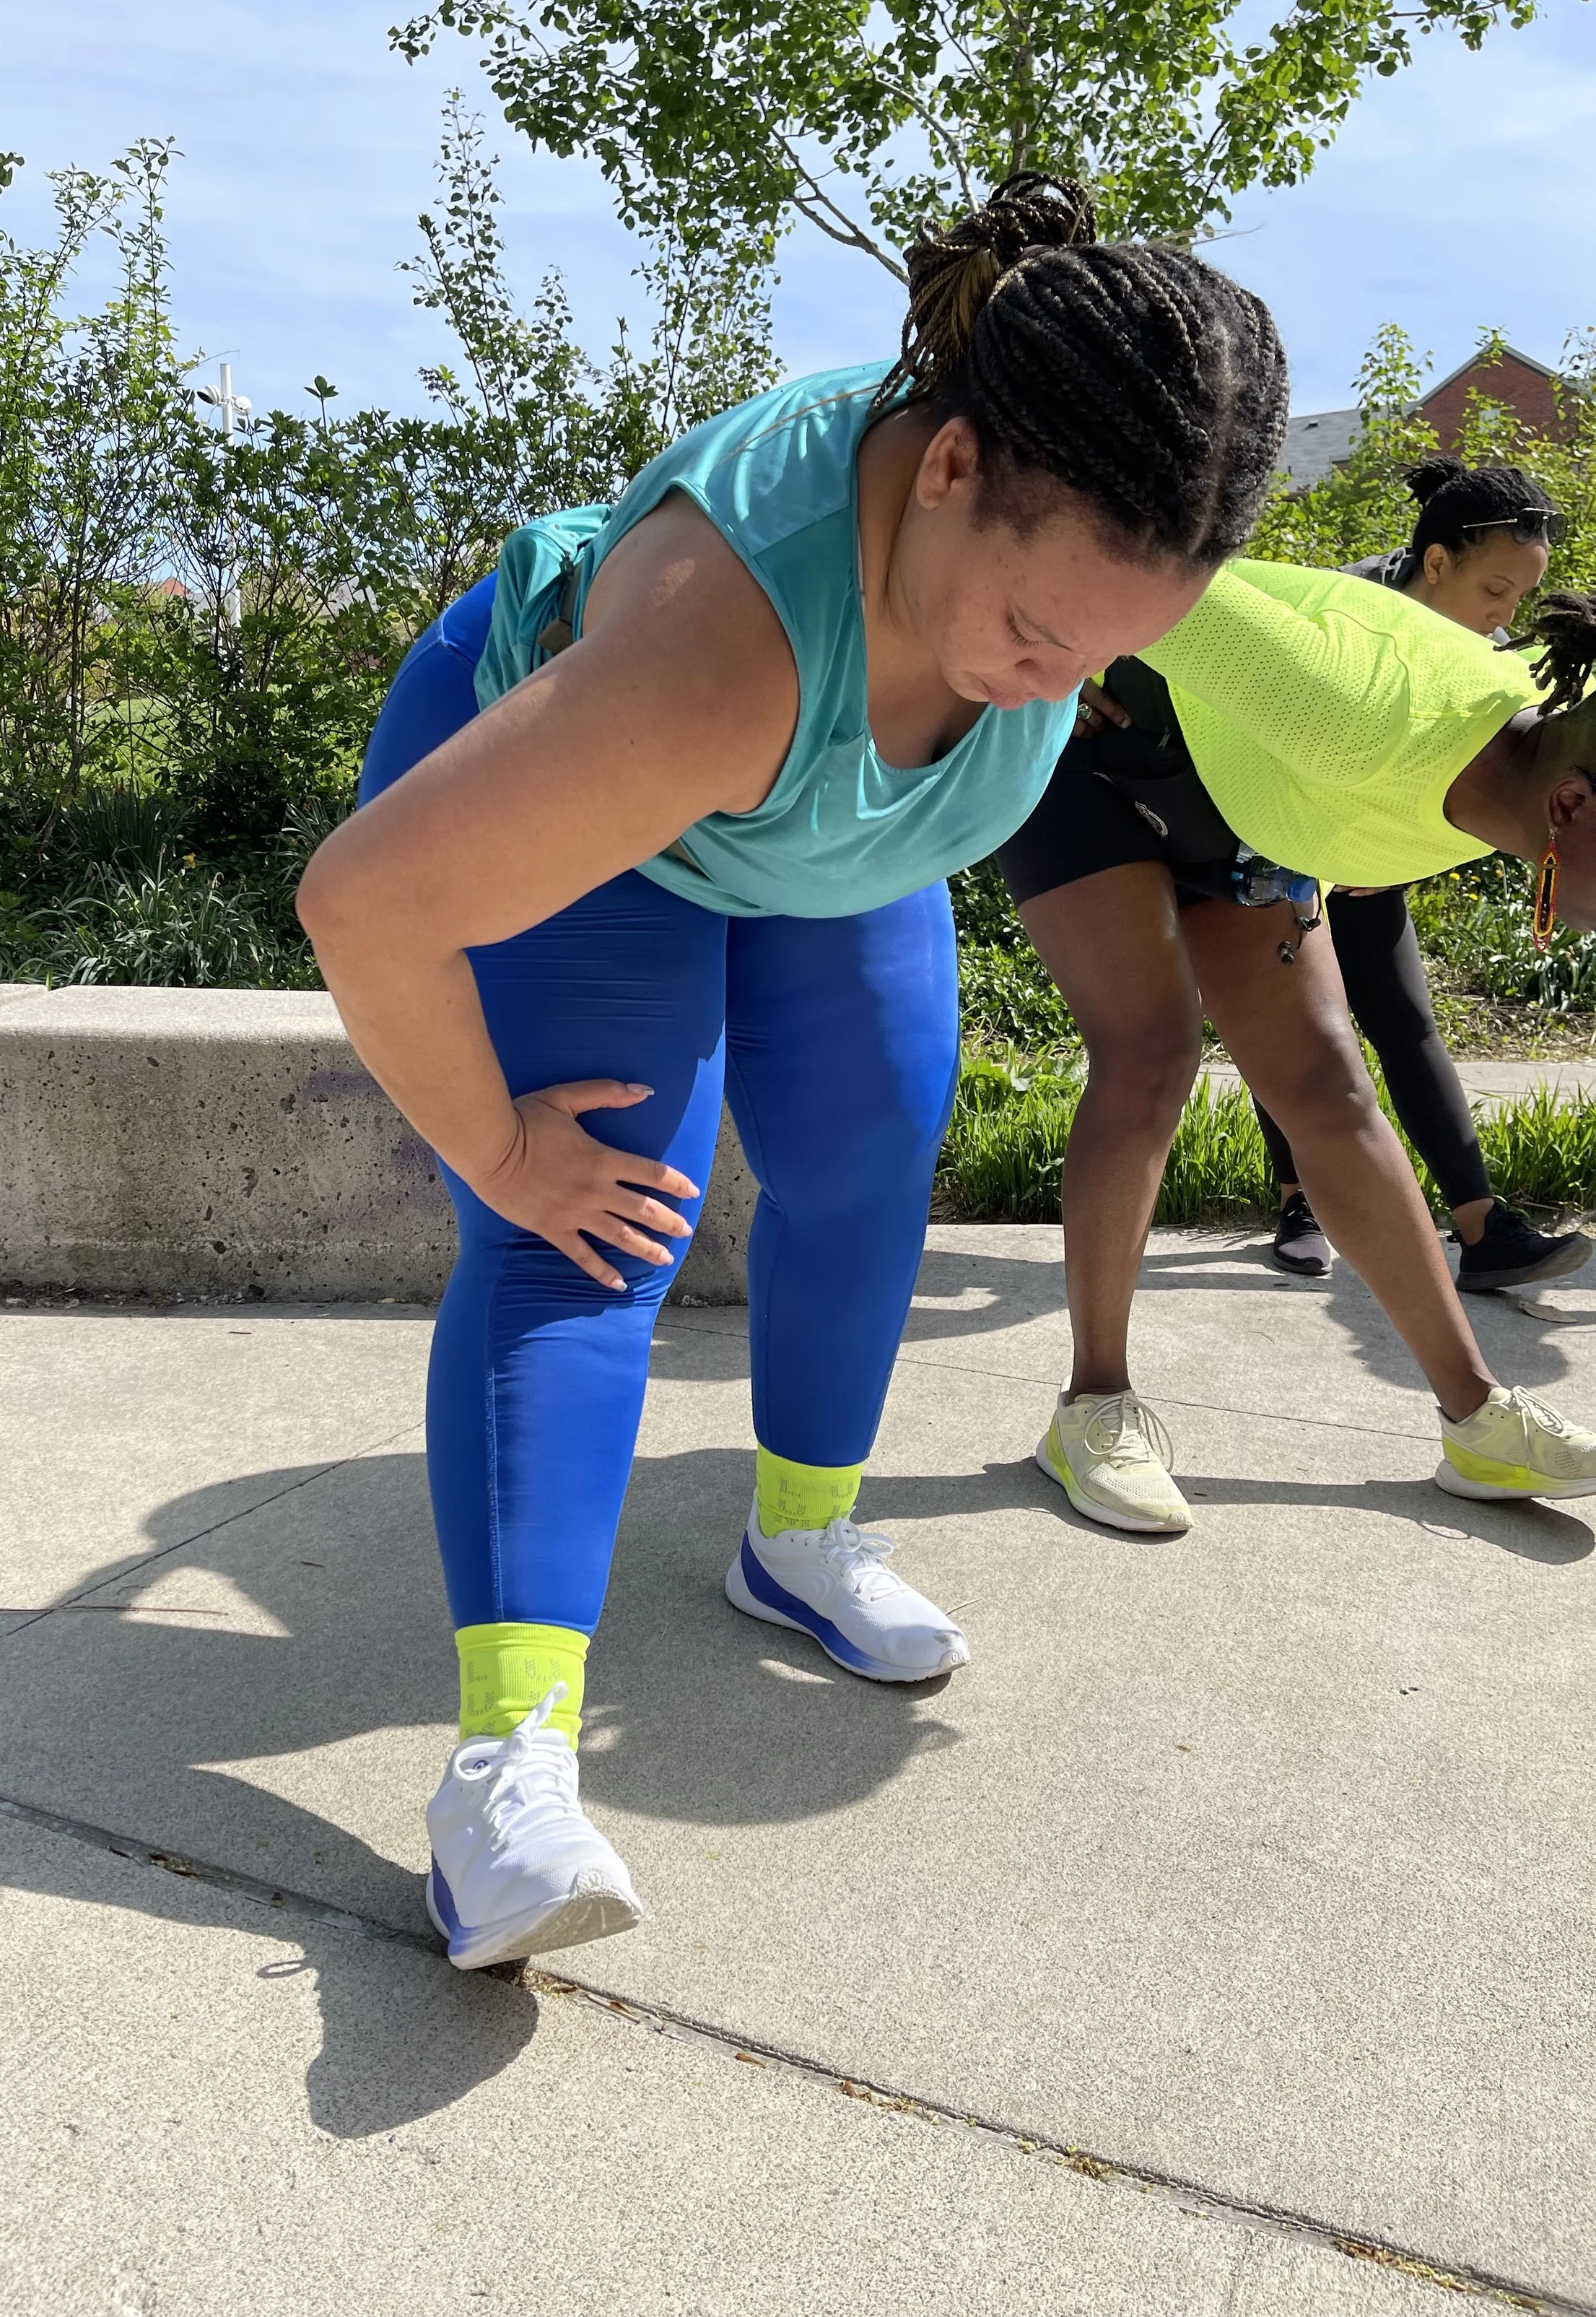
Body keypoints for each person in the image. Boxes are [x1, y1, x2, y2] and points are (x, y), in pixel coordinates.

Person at [297, 174, 1290, 1970]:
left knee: (865, 1151)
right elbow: (364, 907)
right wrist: (500, 1155)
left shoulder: (1061, 555)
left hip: (815, 831)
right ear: (954, 469)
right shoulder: (713, 651)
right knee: (587, 1235)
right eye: (1042, 635)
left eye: (1114, 653)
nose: (1056, 693)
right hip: (601, 811)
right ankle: (501, 1781)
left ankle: (797, 1541)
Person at [994, 560, 1596, 1539]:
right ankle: (1092, 1408)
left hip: (1242, 798)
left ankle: (1478, 1418)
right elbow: (1128, 563)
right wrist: (1068, 654)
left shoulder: (1551, 741)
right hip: (1096, 759)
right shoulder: (1353, 709)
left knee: (1327, 1085)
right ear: (1568, 807)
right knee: (1152, 1054)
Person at [1257, 458, 1590, 1293]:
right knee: (1292, 1027)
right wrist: (1321, 852)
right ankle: (1300, 1203)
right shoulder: (1341, 610)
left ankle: (1484, 1232)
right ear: (1436, 564)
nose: (1505, 618)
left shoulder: (1486, 654)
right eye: (1495, 592)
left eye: (1519, 598)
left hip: (1373, 857)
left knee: (1406, 1022)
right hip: (1278, 846)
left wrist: (1383, 851)